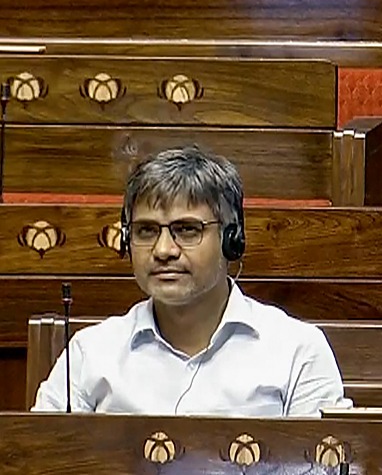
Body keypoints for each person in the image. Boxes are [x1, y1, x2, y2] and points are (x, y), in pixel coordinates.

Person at [32, 145, 350, 416]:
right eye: (146, 231)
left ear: (232, 239)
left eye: (187, 230)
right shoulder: (90, 354)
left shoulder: (297, 351)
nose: (164, 250)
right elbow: (40, 460)